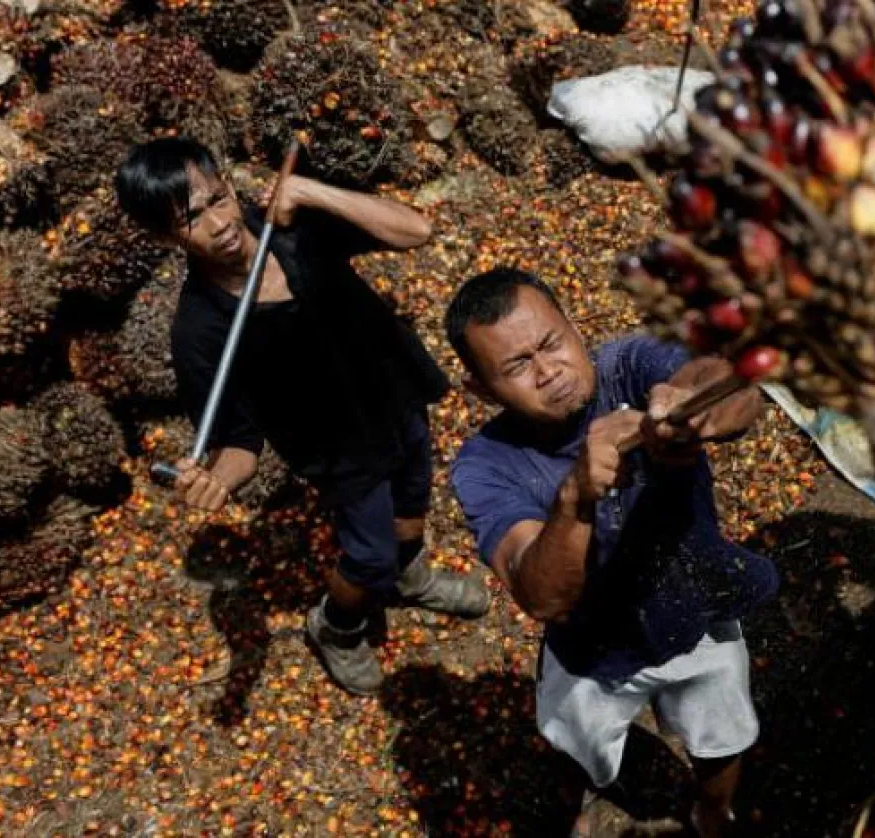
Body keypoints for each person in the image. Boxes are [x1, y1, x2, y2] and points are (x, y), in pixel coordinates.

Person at [113, 136, 490, 696]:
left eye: (218, 199)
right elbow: (238, 444)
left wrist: (312, 192)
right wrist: (217, 481)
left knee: (412, 509)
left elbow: (416, 230)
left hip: (396, 393)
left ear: (229, 185)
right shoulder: (199, 333)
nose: (220, 224)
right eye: (192, 219)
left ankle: (412, 579)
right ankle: (336, 627)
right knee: (368, 557)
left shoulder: (293, 228)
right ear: (166, 238)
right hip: (337, 450)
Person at [445, 268, 778, 837]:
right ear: (481, 390)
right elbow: (542, 597)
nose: (548, 371)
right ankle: (577, 805)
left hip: (699, 614)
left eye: (551, 343)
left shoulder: (632, 365)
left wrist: (690, 409)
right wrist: (575, 496)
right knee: (574, 744)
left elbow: (727, 387)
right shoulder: (485, 466)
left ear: (575, 328)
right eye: (517, 366)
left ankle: (712, 814)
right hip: (588, 651)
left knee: (722, 737)